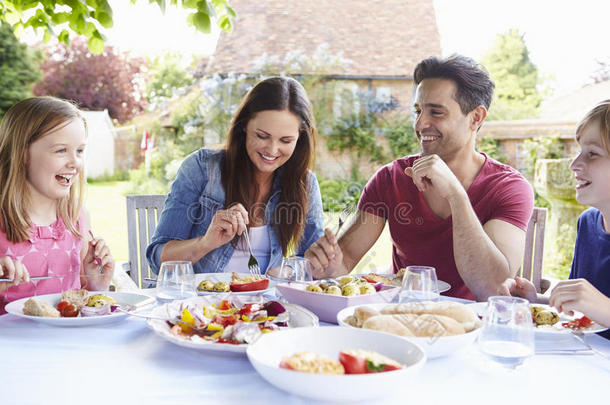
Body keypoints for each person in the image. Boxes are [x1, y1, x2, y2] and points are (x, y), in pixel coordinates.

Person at [305, 54, 534, 301]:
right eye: (417, 111)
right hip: (403, 318)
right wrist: (328, 267)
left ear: (476, 118)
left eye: (436, 112)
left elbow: (491, 287)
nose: (421, 123)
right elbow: (344, 260)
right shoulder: (390, 179)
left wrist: (456, 196)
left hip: (474, 328)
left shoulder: (509, 188)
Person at [146, 76, 324, 275]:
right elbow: (156, 259)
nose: (272, 150)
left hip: (263, 304)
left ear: (300, 139)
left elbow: (315, 260)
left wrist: (287, 271)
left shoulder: (304, 183)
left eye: (285, 140)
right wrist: (205, 243)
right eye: (262, 136)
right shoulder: (202, 168)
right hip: (199, 303)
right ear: (244, 126)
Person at [0, 96, 114, 313]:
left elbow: (80, 298)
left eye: (79, 151)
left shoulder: (77, 217)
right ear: (23, 154)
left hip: (68, 344)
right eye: (61, 150)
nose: (75, 163)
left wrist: (96, 285)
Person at [504, 100, 610, 331]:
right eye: (579, 151)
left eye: (592, 153)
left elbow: (601, 309)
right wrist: (534, 302)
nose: (575, 164)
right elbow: (581, 314)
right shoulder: (588, 224)